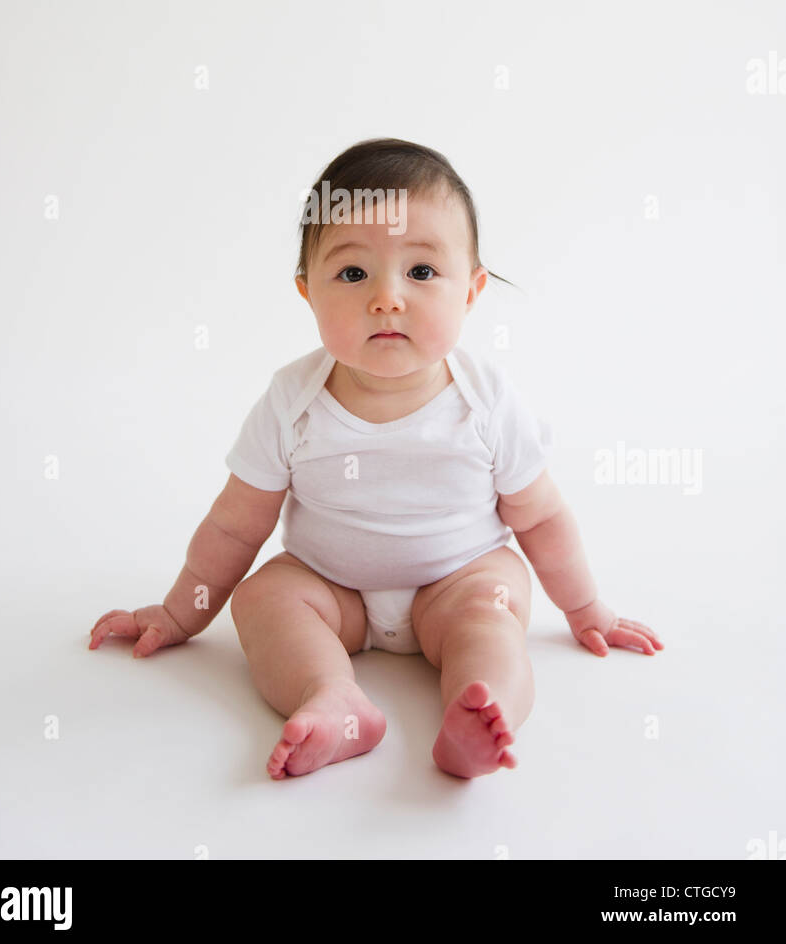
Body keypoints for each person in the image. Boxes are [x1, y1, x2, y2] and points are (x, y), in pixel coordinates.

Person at [89, 137, 663, 780]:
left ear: (471, 291)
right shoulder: (291, 401)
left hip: (458, 579)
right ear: (307, 291)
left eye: (421, 272)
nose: (387, 298)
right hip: (332, 590)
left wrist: (587, 610)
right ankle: (331, 697)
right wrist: (177, 611)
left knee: (494, 613)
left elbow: (542, 519)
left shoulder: (488, 403)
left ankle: (482, 710)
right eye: (353, 273)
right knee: (262, 600)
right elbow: (234, 525)